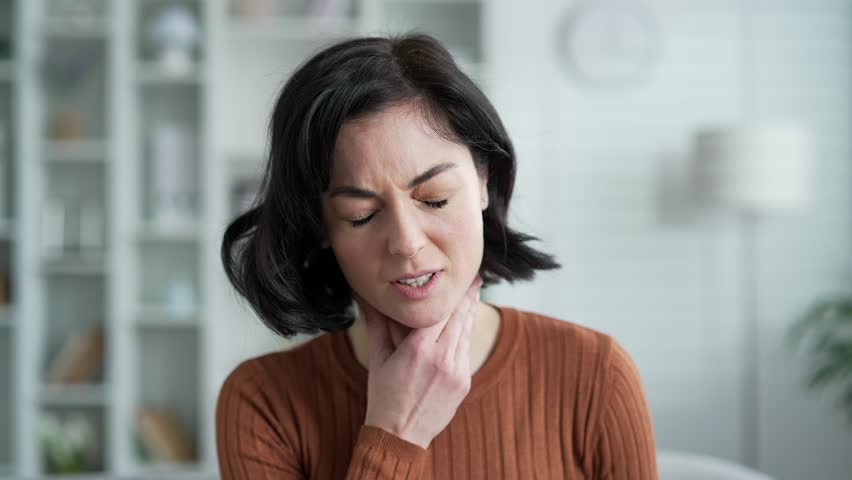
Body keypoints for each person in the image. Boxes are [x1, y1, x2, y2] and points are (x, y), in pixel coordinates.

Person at [216, 33, 658, 479]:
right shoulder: (263, 402)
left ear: (484, 180)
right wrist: (395, 436)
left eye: (435, 198)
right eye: (361, 215)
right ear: (322, 226)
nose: (407, 242)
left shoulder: (596, 373)